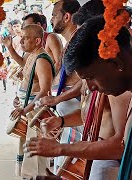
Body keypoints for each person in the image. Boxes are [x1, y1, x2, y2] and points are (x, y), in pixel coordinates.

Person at [62, 15, 132, 179]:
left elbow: (118, 147)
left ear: (116, 63)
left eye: (91, 77)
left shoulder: (120, 95)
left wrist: (61, 149)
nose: (91, 87)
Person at [9, 24, 55, 177]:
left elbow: (44, 91)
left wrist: (26, 108)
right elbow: (28, 82)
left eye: (26, 38)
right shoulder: (31, 56)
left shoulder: (42, 60)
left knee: (36, 155)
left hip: (35, 112)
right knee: (28, 150)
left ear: (37, 41)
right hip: (27, 109)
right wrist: (19, 98)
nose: (21, 41)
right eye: (21, 37)